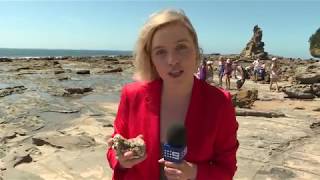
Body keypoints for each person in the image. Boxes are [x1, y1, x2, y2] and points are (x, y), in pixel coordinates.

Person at [106, 9, 239, 180]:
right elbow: (113, 152)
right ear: (151, 59)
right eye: (160, 51)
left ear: (196, 51)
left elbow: (226, 170)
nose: (172, 60)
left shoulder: (219, 102)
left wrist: (194, 172)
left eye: (181, 47)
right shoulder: (132, 95)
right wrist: (122, 160)